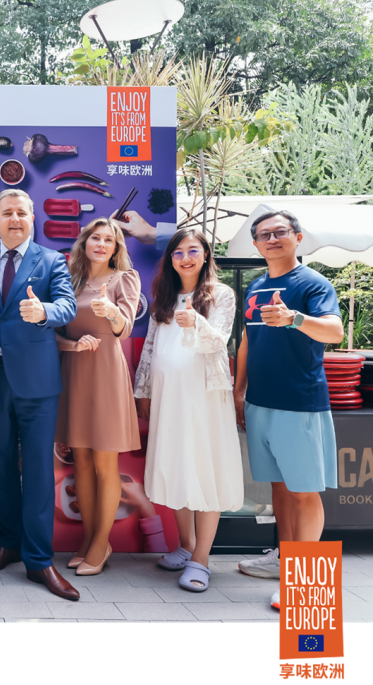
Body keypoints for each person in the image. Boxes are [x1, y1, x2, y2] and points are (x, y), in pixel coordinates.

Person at [0, 188, 80, 601]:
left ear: (33, 218)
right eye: (6, 213)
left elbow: (68, 306)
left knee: (36, 472)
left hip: (37, 381)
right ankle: (7, 543)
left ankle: (39, 560)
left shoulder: (52, 260)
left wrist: (44, 312)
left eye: (21, 213)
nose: (14, 219)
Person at [233, 210, 343, 609]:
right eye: (263, 234)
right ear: (256, 244)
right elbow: (247, 339)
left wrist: (295, 318)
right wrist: (239, 388)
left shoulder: (313, 283)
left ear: (298, 237)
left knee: (303, 492)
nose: (272, 239)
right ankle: (284, 561)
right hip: (260, 400)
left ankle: (306, 585)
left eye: (280, 232)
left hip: (299, 403)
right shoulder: (258, 285)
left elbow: (334, 331)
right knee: (280, 490)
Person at [134, 227, 243, 592]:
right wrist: (143, 390)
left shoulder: (220, 295)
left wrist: (196, 320)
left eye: (192, 250)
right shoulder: (163, 298)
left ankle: (201, 561)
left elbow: (219, 341)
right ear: (170, 260)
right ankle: (186, 545)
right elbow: (149, 349)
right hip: (169, 397)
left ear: (206, 255)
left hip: (205, 397)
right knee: (178, 465)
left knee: (205, 469)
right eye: (177, 252)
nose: (185, 258)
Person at [55, 218, 141, 576]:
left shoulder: (124, 279)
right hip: (73, 372)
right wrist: (72, 345)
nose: (102, 244)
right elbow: (52, 331)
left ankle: (101, 545)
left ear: (117, 248)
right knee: (83, 463)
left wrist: (112, 312)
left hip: (105, 371)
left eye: (110, 239)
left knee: (106, 465)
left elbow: (126, 328)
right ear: (85, 242)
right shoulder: (68, 279)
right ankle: (91, 541)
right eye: (96, 237)